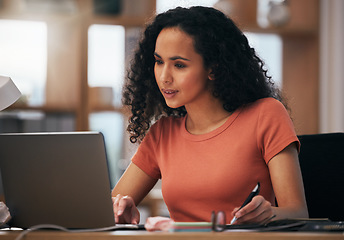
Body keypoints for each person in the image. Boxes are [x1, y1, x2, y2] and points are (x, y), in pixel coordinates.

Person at [112, 6, 308, 225]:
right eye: (159, 62)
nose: (164, 77)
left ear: (213, 69)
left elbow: (298, 211)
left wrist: (269, 213)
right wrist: (119, 209)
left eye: (179, 65)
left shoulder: (266, 115)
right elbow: (108, 208)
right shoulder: (162, 133)